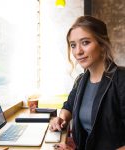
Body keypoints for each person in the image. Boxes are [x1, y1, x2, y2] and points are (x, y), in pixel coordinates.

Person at [50, 15, 125, 150]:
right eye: (73, 45)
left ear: (102, 45)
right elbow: (68, 106)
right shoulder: (81, 80)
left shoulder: (122, 80)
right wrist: (61, 119)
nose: (78, 51)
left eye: (85, 42)